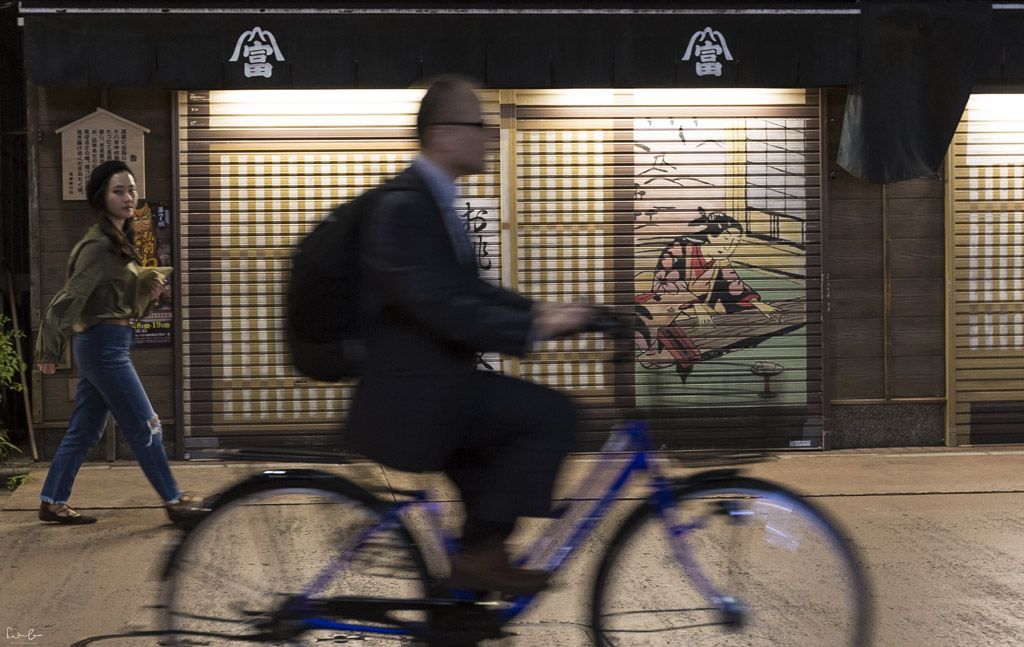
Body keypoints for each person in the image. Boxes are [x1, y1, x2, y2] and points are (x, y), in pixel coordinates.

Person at [342, 76, 593, 594]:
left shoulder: (433, 201)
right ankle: (479, 562)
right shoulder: (404, 207)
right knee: (553, 416)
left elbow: (470, 293)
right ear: (441, 133)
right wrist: (535, 325)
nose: (487, 137)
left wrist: (552, 311)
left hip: (436, 389)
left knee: (490, 490)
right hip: (415, 400)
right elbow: (442, 305)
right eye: (477, 125)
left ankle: (466, 590)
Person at [34, 160, 203, 527]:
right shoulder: (97, 247)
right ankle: (175, 502)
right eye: (118, 191)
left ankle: (52, 501)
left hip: (109, 343)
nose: (129, 198)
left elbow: (116, 302)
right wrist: (49, 349)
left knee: (85, 430)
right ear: (101, 197)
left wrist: (149, 288)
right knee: (148, 426)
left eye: (131, 190)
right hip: (103, 348)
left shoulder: (118, 242)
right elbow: (70, 298)